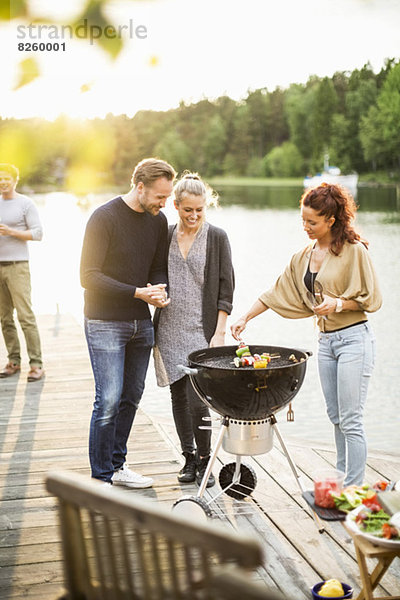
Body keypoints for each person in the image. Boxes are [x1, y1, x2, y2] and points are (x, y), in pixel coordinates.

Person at [231, 183, 382, 486]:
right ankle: (340, 482)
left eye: (312, 222)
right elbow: (276, 291)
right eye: (303, 220)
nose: (306, 227)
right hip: (326, 343)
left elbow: (372, 299)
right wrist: (246, 316)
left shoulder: (354, 251)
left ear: (331, 220)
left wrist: (338, 303)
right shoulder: (303, 256)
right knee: (336, 417)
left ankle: (353, 489)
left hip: (355, 339)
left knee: (351, 420)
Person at [80, 158, 176, 487]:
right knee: (107, 398)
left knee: (132, 395)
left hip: (140, 323)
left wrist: (159, 289)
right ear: (140, 187)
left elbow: (157, 267)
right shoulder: (103, 218)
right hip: (104, 321)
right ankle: (101, 479)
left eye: (167, 197)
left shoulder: (158, 221)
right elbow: (88, 277)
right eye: (160, 197)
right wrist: (137, 293)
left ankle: (118, 467)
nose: (164, 204)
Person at [153, 172, 234, 487]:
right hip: (170, 327)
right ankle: (188, 459)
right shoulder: (166, 235)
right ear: (176, 205)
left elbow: (226, 288)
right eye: (188, 210)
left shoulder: (217, 238)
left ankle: (205, 462)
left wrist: (220, 330)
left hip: (203, 330)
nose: (195, 216)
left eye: (200, 210)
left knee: (199, 398)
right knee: (178, 395)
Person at [0, 163, 45, 382]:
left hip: (18, 266)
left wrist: (11, 232)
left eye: (6, 178)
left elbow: (38, 234)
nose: (2, 182)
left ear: (15, 180)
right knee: (5, 318)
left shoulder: (25, 203)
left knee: (25, 316)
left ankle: (36, 364)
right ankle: (13, 361)